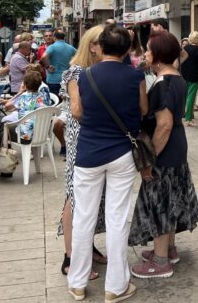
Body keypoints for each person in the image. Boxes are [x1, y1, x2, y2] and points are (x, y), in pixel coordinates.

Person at [67, 26, 146, 303]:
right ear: (127, 49)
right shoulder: (136, 75)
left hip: (88, 152)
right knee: (117, 218)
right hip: (122, 153)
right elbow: (143, 110)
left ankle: (77, 282)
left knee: (83, 217)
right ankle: (115, 286)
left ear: (99, 46)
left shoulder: (84, 76)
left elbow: (77, 112)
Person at [129, 31, 198, 278]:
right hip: (177, 147)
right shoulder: (176, 78)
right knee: (170, 199)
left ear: (158, 55)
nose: (145, 54)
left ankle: (161, 262)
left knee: (160, 201)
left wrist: (150, 159)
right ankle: (168, 250)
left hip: (166, 150)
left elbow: (164, 125)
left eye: (149, 50)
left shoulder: (163, 84)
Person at [54, 25, 107, 277]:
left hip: (94, 139)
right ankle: (70, 257)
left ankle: (87, 247)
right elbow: (77, 111)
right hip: (81, 138)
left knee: (92, 198)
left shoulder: (98, 70)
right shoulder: (76, 72)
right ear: (93, 46)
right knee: (74, 196)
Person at [3, 70, 49, 142]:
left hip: (24, 137)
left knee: (4, 126)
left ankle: (6, 149)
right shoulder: (42, 96)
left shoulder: (23, 97)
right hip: (40, 134)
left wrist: (19, 92)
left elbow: (7, 107)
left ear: (25, 85)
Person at [179, 31, 198, 126]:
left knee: (185, 96)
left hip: (184, 74)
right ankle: (188, 119)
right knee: (191, 97)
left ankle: (186, 115)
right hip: (193, 76)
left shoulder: (185, 48)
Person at [42, 30, 77, 95]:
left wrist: (48, 66)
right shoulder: (70, 47)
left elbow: (44, 57)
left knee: (55, 101)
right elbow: (79, 56)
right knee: (65, 101)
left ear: (54, 37)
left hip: (53, 79)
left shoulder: (52, 47)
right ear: (64, 37)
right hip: (66, 79)